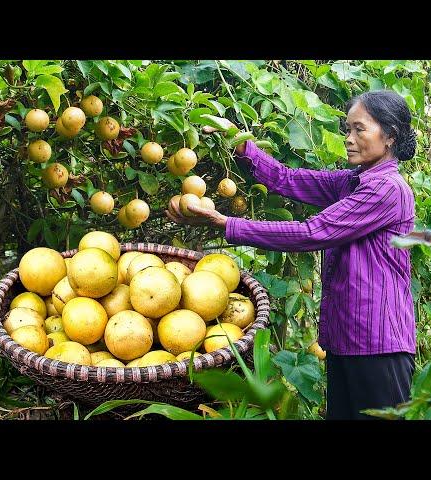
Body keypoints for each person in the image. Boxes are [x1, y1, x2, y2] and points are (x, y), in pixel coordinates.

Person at [166, 89, 417, 420]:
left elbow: (312, 233)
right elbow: (287, 179)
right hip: (350, 341)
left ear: (390, 136)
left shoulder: (386, 189)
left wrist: (228, 224)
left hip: (378, 345)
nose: (349, 138)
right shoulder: (353, 182)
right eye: (347, 129)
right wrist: (239, 142)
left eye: (359, 129)